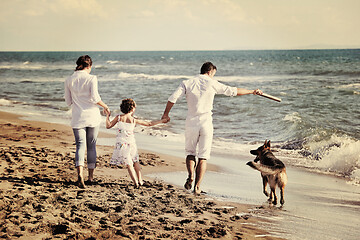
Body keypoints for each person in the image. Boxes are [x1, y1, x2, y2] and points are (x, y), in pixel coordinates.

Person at [161, 62, 263, 194]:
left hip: (191, 122)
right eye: (214, 74)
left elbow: (173, 98)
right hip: (206, 123)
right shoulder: (212, 83)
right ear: (210, 71)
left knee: (190, 153)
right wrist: (252, 91)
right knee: (203, 156)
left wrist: (166, 114)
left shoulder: (187, 83)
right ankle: (197, 186)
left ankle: (191, 176)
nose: (213, 76)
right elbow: (233, 91)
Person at [64, 55, 110, 188]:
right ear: (89, 66)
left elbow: (68, 102)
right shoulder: (92, 78)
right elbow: (95, 98)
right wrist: (105, 106)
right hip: (92, 117)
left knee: (80, 146)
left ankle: (80, 175)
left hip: (78, 117)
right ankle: (90, 177)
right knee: (92, 146)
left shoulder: (69, 80)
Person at [106, 98, 168, 188]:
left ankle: (136, 182)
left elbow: (108, 126)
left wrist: (108, 116)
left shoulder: (119, 118)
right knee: (136, 162)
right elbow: (149, 123)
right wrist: (161, 121)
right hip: (132, 144)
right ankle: (140, 181)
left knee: (129, 164)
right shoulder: (134, 120)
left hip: (122, 144)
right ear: (132, 109)